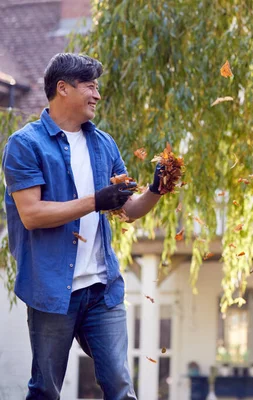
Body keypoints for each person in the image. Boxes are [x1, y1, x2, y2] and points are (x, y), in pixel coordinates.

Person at [2, 53, 165, 399]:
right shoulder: (25, 145)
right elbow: (31, 214)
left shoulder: (103, 143)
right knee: (46, 390)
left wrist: (155, 190)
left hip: (102, 291)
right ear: (63, 88)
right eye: (90, 86)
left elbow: (129, 210)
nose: (97, 95)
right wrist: (94, 201)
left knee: (120, 386)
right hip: (51, 291)